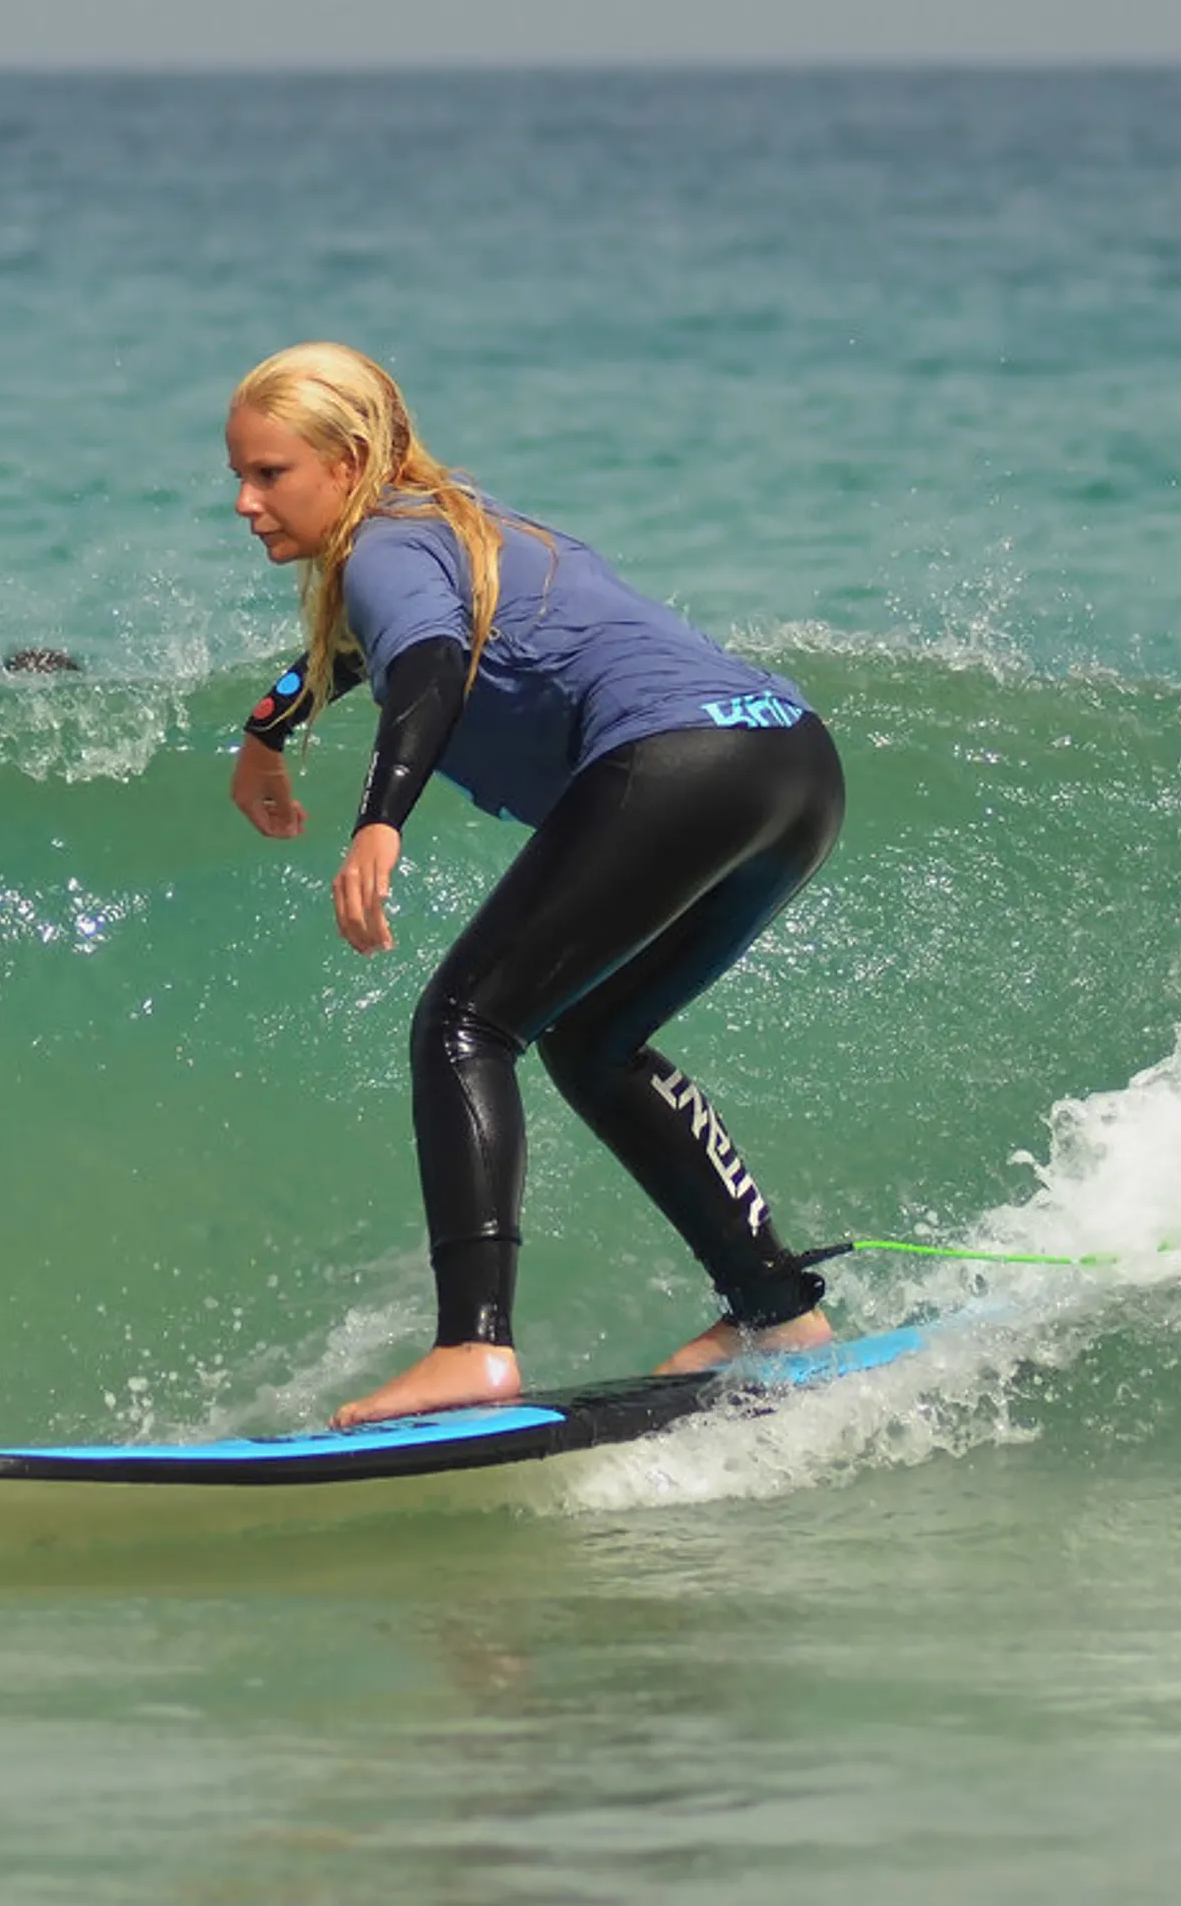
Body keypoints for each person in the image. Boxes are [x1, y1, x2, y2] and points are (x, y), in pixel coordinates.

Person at [222, 342, 848, 1427]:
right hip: (787, 763)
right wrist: (267, 731)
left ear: (350, 459)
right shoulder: (455, 520)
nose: (245, 501)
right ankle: (775, 1307)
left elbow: (419, 663)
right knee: (590, 1039)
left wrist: (379, 821)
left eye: (271, 474)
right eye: (240, 474)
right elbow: (369, 653)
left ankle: (473, 1348)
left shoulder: (380, 546)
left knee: (464, 1023)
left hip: (676, 760)